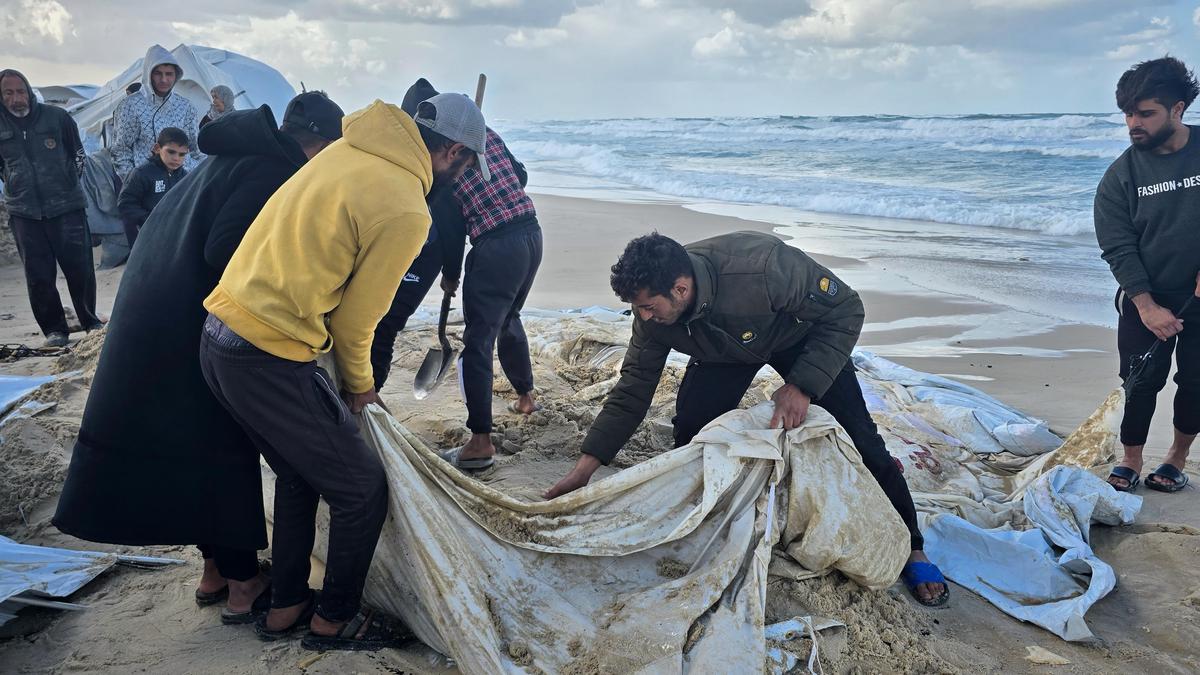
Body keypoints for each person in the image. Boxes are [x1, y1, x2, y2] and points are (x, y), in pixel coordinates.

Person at [198, 92, 488, 650]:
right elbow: (358, 322)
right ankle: (334, 619)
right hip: (268, 352)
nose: (464, 178)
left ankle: (286, 605)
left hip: (218, 335)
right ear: (453, 152)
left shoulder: (346, 148)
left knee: (297, 473)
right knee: (362, 490)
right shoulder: (407, 208)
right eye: (467, 166)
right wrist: (362, 389)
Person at [53, 92, 345, 626]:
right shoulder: (271, 170)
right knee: (223, 447)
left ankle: (214, 572)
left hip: (155, 308)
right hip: (187, 319)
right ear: (321, 146)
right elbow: (226, 248)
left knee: (195, 446)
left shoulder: (231, 159)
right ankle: (242, 585)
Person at [544, 231, 950, 606]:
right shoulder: (652, 317)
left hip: (801, 338)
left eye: (649, 307)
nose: (643, 317)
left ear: (680, 289)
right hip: (724, 349)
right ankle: (710, 519)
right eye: (637, 308)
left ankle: (914, 546)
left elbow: (846, 309)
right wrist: (585, 468)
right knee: (692, 435)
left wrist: (803, 385)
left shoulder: (764, 268)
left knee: (862, 438)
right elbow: (632, 390)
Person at [1096, 56, 1200, 494]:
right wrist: (1146, 304)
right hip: (1146, 296)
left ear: (1177, 109)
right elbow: (1117, 245)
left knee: (1195, 381)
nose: (1133, 123)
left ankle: (1177, 457)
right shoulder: (1122, 175)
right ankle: (1131, 458)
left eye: (1145, 113)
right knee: (1138, 381)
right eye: (1128, 114)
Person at [438, 107, 541, 471]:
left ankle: (480, 442)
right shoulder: (486, 133)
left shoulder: (440, 157)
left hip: (495, 247)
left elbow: (451, 227)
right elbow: (520, 175)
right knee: (509, 316)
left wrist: (451, 273)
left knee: (478, 342)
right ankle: (526, 397)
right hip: (530, 233)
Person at [370, 78, 466, 391]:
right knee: (379, 324)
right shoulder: (406, 160)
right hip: (405, 247)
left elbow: (453, 226)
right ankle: (363, 391)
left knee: (385, 324)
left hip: (427, 251)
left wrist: (451, 273)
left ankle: (368, 392)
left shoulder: (439, 169)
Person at [0, 68, 103, 347]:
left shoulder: (57, 117)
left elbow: (78, 155)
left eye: (20, 91)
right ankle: (54, 330)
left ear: (29, 91)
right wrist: (16, 184)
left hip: (67, 206)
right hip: (24, 212)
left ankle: (90, 322)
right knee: (38, 275)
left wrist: (66, 184)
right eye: (8, 93)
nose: (16, 98)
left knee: (80, 268)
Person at [112, 44, 202, 178]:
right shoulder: (131, 105)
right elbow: (121, 150)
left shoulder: (185, 106)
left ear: (176, 76)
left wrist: (195, 178)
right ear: (149, 74)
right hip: (148, 182)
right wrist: (133, 182)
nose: (164, 79)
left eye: (169, 74)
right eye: (158, 73)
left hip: (183, 182)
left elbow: (196, 149)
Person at [117, 126, 189, 247]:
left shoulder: (185, 177)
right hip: (147, 237)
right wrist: (149, 220)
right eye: (171, 152)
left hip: (176, 236)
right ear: (157, 148)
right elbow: (125, 204)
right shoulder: (141, 173)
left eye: (182, 154)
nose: (176, 158)